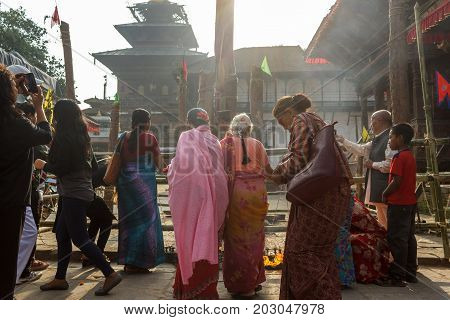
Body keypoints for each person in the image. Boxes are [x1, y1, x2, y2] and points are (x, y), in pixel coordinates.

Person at [269, 93, 353, 300]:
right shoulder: (315, 120)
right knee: (320, 253)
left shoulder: (300, 120)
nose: (284, 128)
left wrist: (276, 175)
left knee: (300, 252)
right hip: (333, 193)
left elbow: (299, 157)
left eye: (282, 122)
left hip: (321, 195)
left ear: (288, 112)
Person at [36, 99, 121, 296]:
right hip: (80, 191)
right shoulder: (82, 137)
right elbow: (90, 165)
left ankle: (109, 274)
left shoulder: (64, 139)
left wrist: (43, 165)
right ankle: (60, 278)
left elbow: (61, 168)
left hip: (73, 192)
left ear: (59, 117)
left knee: (80, 238)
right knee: (62, 234)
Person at [0, 64, 52, 300]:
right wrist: (40, 106)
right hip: (10, 202)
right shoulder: (16, 123)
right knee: (7, 258)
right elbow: (45, 134)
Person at [168, 108, 229, 299]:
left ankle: (189, 291)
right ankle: (207, 291)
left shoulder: (187, 136)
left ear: (189, 121)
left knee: (190, 238)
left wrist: (171, 168)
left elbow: (183, 168)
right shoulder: (215, 141)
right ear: (207, 122)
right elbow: (216, 170)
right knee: (209, 238)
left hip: (194, 198)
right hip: (218, 194)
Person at [220, 113, 272, 298]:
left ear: (232, 128)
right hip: (257, 193)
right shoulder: (257, 145)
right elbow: (268, 170)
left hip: (237, 194)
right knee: (255, 239)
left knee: (237, 241)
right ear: (250, 129)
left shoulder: (225, 144)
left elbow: (218, 172)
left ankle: (242, 285)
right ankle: (255, 281)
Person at [116, 109, 165, 273]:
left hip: (125, 186)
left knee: (129, 222)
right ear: (148, 122)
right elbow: (160, 165)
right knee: (146, 223)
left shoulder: (122, 138)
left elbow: (118, 161)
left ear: (133, 121)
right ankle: (143, 262)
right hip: (145, 185)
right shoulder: (150, 138)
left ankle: (129, 261)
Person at [336, 110, 396, 229]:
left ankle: (392, 244)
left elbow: (391, 165)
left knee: (389, 219)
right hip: (379, 184)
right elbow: (361, 149)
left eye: (372, 121)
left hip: (386, 184)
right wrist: (343, 140)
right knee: (383, 217)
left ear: (379, 121)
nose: (371, 125)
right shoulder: (379, 138)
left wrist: (372, 164)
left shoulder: (390, 138)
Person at [379, 123, 417, 287]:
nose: (389, 140)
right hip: (409, 202)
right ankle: (410, 272)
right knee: (408, 237)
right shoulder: (410, 155)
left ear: (400, 138)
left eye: (391, 137)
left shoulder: (399, 157)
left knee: (396, 239)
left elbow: (397, 181)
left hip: (398, 202)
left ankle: (396, 276)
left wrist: (385, 193)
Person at [15, 102, 50, 283]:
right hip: (24, 191)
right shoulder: (24, 131)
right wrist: (39, 106)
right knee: (29, 231)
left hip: (27, 189)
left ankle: (23, 268)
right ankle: (19, 272)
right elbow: (46, 136)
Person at [81, 161, 116, 267]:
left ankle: (88, 255)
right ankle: (98, 255)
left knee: (97, 219)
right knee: (107, 219)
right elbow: (107, 181)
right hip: (84, 192)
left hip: (81, 191)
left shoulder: (104, 165)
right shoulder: (109, 168)